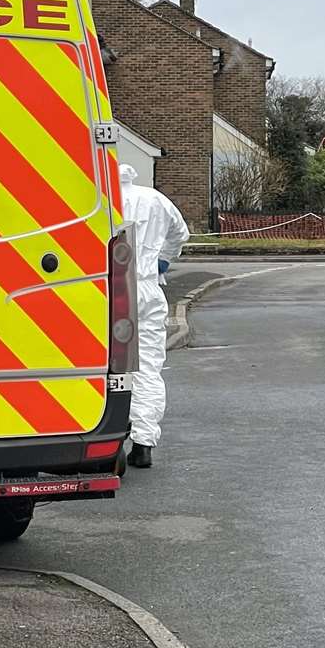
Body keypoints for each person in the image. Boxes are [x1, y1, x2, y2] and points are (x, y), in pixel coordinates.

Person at [119, 162, 190, 468]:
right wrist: (162, 260)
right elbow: (180, 233)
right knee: (148, 366)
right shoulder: (156, 199)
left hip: (110, 289)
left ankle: (107, 440)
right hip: (148, 289)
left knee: (112, 368)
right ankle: (143, 442)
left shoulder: (102, 198)